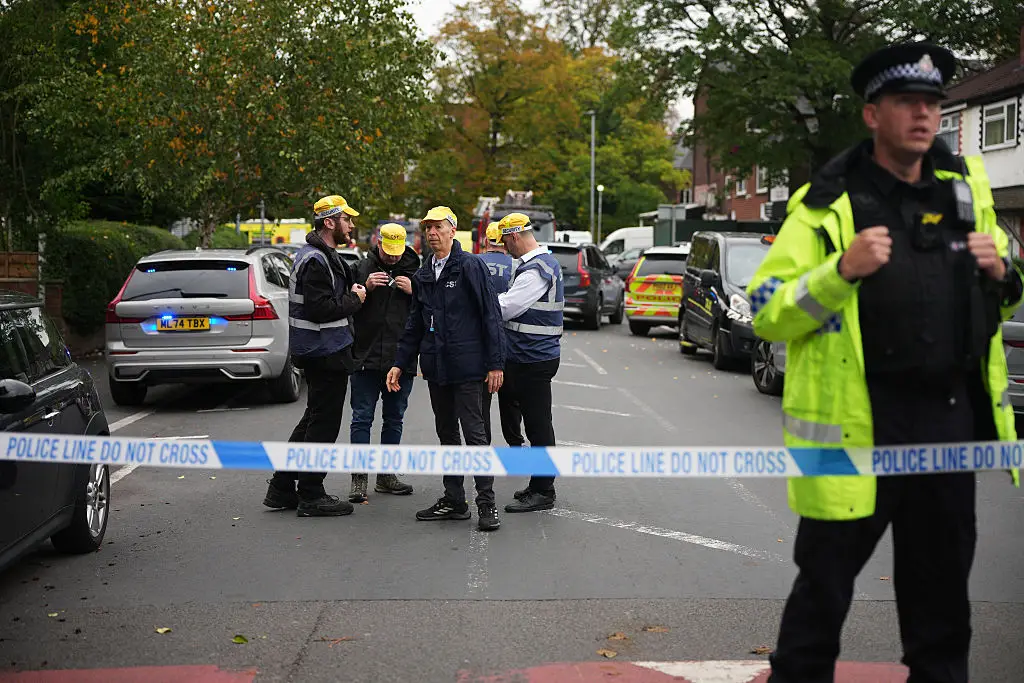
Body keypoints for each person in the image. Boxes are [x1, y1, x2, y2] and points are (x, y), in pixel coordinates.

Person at [747, 42, 1022, 683]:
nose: (924, 116)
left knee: (942, 609)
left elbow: (1002, 301)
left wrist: (1003, 273)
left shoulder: (965, 195)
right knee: (822, 599)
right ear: (873, 114)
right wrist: (840, 272)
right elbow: (763, 309)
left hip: (948, 429)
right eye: (907, 103)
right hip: (860, 429)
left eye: (932, 103)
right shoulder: (828, 204)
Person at [388, 206, 506, 531]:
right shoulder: (425, 272)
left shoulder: (470, 266)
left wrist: (496, 364)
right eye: (428, 228)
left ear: (452, 230)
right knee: (447, 435)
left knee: (475, 436)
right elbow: (414, 322)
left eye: (438, 227)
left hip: (469, 369)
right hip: (437, 369)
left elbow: (490, 316)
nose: (431, 233)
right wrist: (400, 362)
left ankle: (487, 504)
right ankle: (454, 500)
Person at [263, 195, 367, 517]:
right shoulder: (315, 260)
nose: (351, 224)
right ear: (329, 222)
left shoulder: (323, 255)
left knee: (311, 419)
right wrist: (354, 299)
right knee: (324, 424)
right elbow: (320, 308)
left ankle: (281, 487)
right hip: (324, 351)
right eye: (346, 219)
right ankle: (311, 493)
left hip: (322, 350)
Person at [494, 212, 564, 513]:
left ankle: (544, 490)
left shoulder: (536, 270)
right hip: (529, 355)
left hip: (533, 358)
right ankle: (538, 484)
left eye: (504, 242)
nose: (504, 248)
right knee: (536, 422)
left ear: (513, 237)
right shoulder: (536, 264)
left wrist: (477, 307)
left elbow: (508, 307)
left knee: (538, 425)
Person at [347, 223, 419, 503]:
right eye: (387, 252)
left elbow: (432, 309)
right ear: (377, 242)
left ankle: (386, 476)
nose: (391, 258)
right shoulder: (361, 268)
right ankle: (359, 479)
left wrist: (415, 291)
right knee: (361, 418)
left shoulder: (417, 272)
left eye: (396, 253)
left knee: (394, 419)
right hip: (365, 357)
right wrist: (363, 289)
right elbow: (346, 306)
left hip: (400, 360)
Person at [478, 222, 525, 450]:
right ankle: (515, 443)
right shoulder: (517, 266)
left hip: (481, 342)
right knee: (510, 399)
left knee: (481, 400)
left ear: (487, 241)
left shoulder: (474, 263)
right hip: (510, 342)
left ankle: (482, 446)